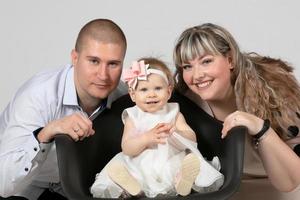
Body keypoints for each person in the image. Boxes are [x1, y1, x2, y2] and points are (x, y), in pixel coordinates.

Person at [0, 19, 127, 199]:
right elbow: (3, 184)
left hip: (76, 191)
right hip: (22, 191)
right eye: (94, 61)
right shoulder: (38, 96)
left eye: (113, 64)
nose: (103, 75)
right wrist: (47, 133)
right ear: (75, 58)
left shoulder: (123, 96)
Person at [173, 23, 300, 200]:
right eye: (187, 66)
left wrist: (260, 128)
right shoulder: (184, 103)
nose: (197, 75)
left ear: (230, 60)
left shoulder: (275, 93)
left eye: (206, 61)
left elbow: (290, 182)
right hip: (228, 192)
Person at [90, 58, 224, 198]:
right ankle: (133, 187)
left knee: (188, 159)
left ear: (168, 91)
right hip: (141, 163)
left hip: (170, 159)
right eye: (144, 89)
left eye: (158, 88)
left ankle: (182, 181)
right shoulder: (133, 116)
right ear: (133, 94)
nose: (151, 94)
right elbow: (127, 147)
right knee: (126, 166)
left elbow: (191, 137)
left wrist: (177, 132)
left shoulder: (174, 113)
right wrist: (146, 138)